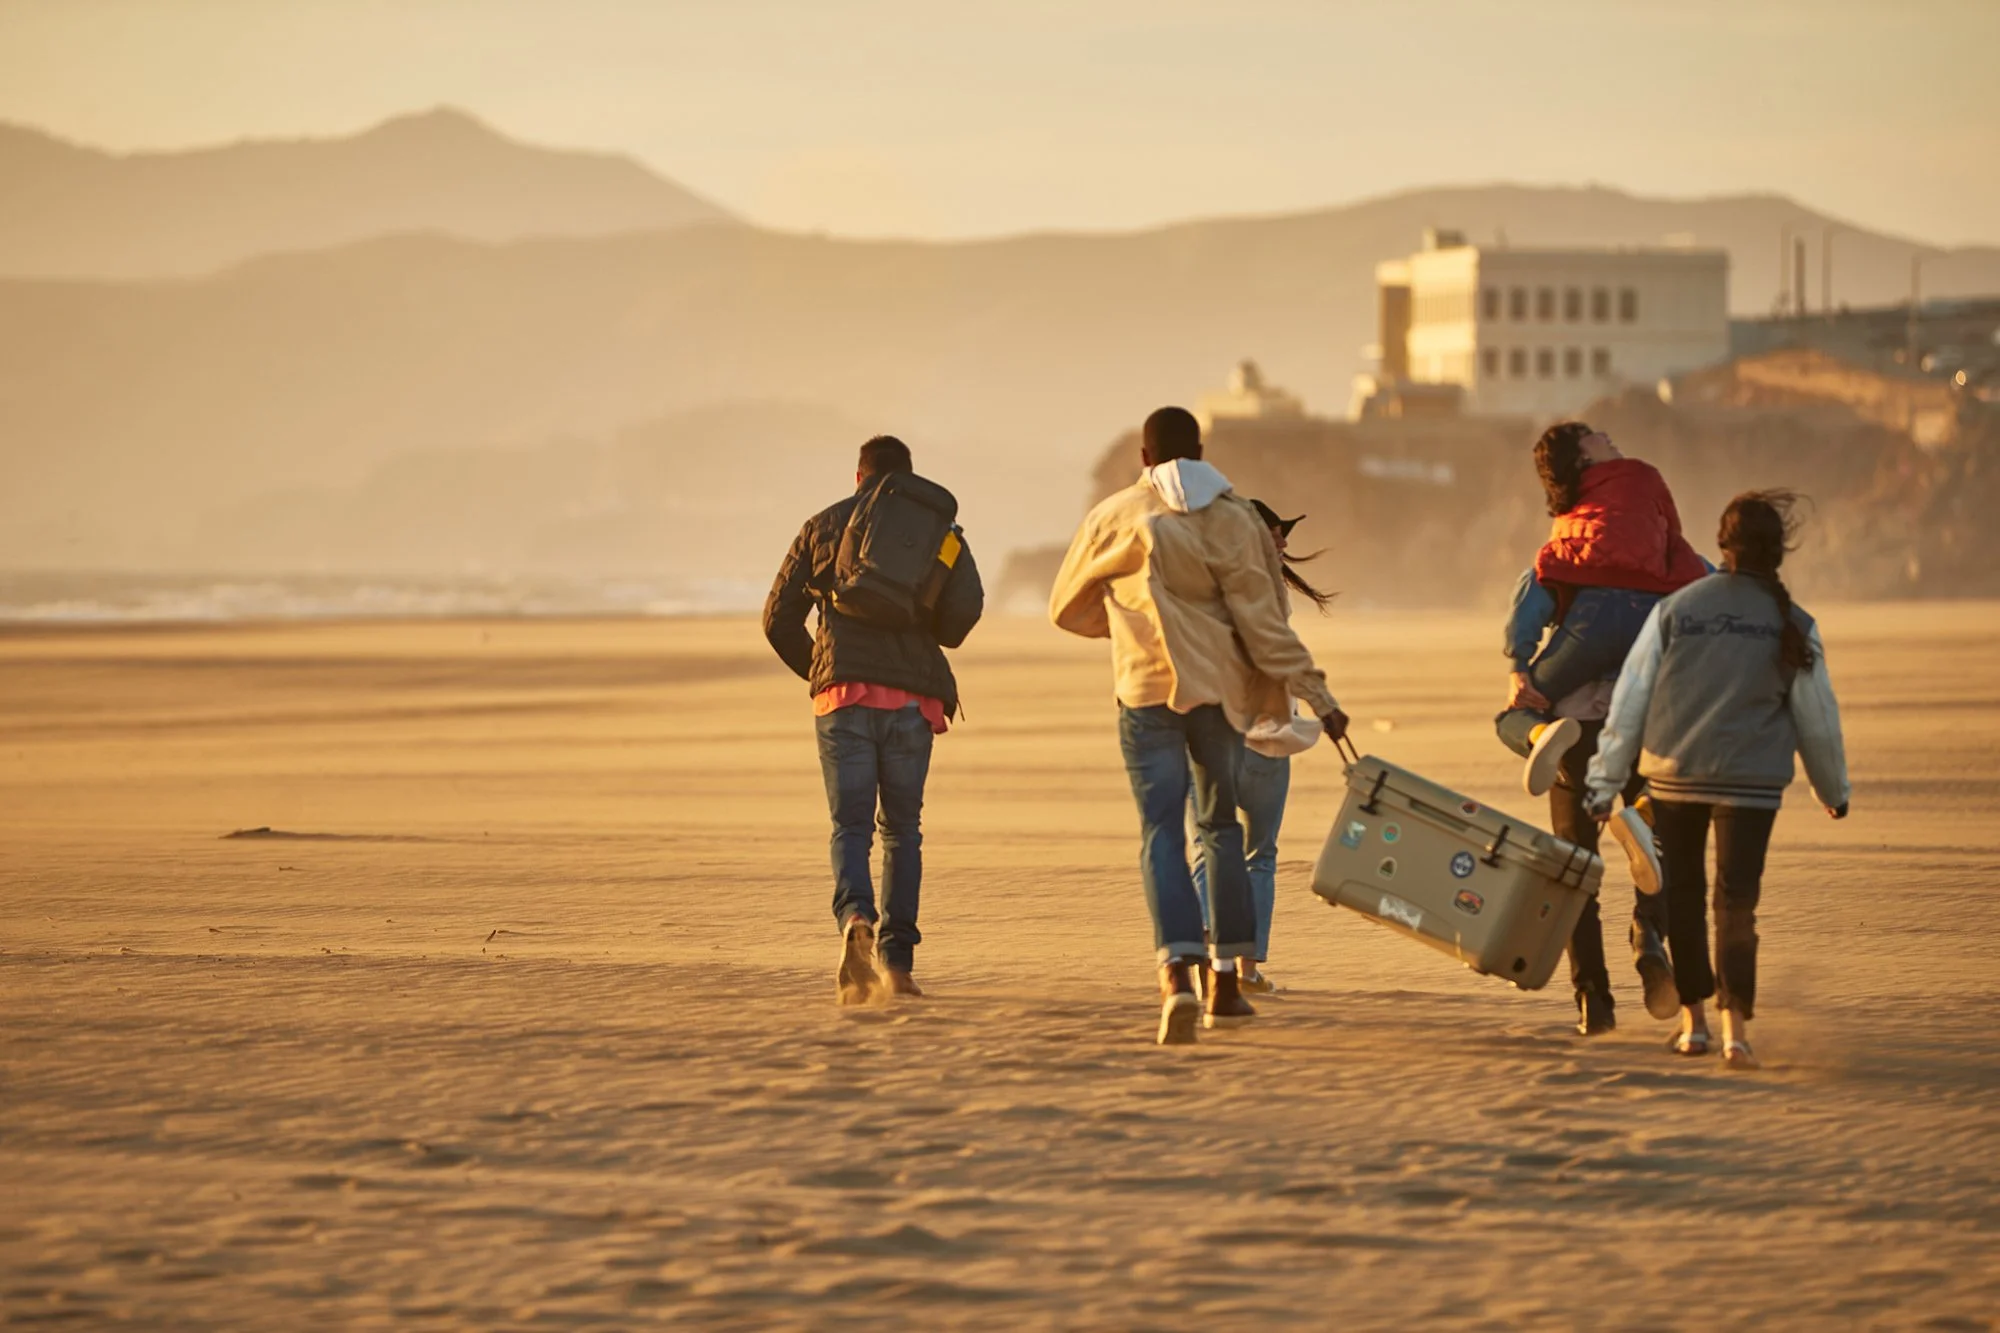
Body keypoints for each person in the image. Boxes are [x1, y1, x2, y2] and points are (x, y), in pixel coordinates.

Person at [1050, 407, 1349, 1046]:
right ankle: (1225, 984)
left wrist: (1129, 620)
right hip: (1216, 698)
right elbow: (1267, 625)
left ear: (1143, 456)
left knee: (1162, 830)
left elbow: (1065, 606)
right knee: (1221, 830)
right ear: (1202, 449)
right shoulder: (1237, 516)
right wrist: (1318, 697)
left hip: (1144, 691)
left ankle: (1174, 979)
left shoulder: (1115, 515)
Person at [1587, 491, 1851, 1070]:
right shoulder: (1793, 622)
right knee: (1737, 903)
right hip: (1752, 780)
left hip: (1674, 774)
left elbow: (1629, 703)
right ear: (1778, 552)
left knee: (1680, 896)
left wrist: (1604, 784)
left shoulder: (1678, 610)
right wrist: (1833, 792)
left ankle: (1694, 1026)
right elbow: (1818, 719)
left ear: (1722, 546)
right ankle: (1736, 1034)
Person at [763, 435, 984, 1005]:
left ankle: (855, 915)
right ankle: (899, 966)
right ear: (908, 479)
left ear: (859, 478)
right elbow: (960, 620)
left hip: (843, 700)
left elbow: (777, 618)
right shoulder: (941, 534)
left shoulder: (822, 525)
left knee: (850, 827)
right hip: (913, 700)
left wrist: (821, 669)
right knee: (902, 831)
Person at [1187, 500, 1336, 994]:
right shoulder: (1265, 594)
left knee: (1212, 845)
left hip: (1214, 733)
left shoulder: (1202, 584)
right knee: (1258, 854)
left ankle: (1214, 963)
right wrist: (1322, 702)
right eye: (1277, 532)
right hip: (1267, 737)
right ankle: (1244, 968)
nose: (1285, 542)